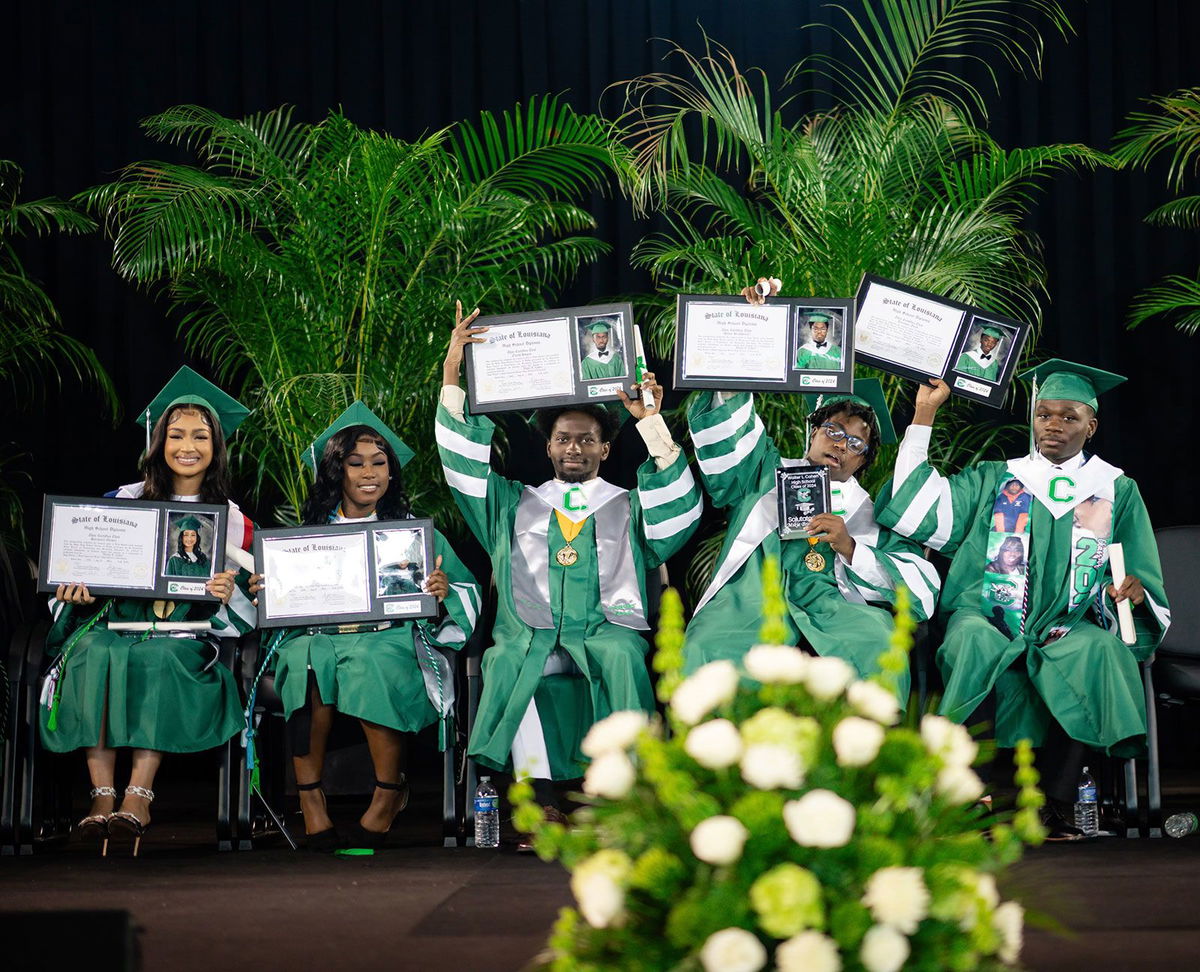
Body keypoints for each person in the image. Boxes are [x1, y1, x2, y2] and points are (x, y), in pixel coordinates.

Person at [875, 359, 1170, 836]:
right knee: (972, 641)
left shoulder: (1115, 489)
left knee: (1098, 651)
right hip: (988, 615)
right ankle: (970, 796)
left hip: (1068, 621)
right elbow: (916, 506)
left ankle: (1059, 802)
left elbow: (1137, 569)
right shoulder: (997, 477)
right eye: (1044, 415)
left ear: (1090, 426)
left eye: (1068, 417)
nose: (1053, 426)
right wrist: (924, 415)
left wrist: (1132, 592)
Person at [437, 301, 702, 822]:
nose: (573, 447)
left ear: (605, 449)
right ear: (549, 448)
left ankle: (622, 796)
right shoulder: (511, 503)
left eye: (586, 439)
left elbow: (681, 512)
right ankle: (537, 797)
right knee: (510, 661)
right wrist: (454, 372)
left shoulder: (628, 505)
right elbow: (461, 464)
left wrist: (650, 422)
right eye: (563, 438)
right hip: (529, 634)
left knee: (624, 657)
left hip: (606, 630)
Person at [685, 282, 939, 698]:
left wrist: (851, 546)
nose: (840, 444)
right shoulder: (765, 470)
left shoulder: (870, 512)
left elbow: (921, 585)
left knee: (878, 647)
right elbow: (730, 432)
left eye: (856, 443)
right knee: (705, 648)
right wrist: (752, 326)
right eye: (833, 430)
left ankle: (864, 762)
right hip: (750, 602)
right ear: (813, 431)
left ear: (863, 462)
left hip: (834, 607)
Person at [40, 367, 255, 856]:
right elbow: (84, 564)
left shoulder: (232, 518)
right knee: (94, 654)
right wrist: (75, 592)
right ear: (157, 443)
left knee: (157, 660)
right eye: (175, 434)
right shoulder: (122, 501)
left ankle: (138, 795)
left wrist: (226, 592)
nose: (188, 445)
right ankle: (101, 797)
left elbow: (252, 600)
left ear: (215, 447)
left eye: (200, 436)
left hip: (184, 636)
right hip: (116, 625)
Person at [253, 402, 480, 849]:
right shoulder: (307, 537)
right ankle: (311, 804)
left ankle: (387, 794)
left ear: (392, 473)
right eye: (355, 464)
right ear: (337, 472)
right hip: (320, 637)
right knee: (302, 662)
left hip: (388, 637)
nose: (369, 472)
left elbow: (468, 591)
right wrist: (267, 587)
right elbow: (278, 605)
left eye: (379, 463)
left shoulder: (413, 535)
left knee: (374, 661)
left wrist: (442, 590)